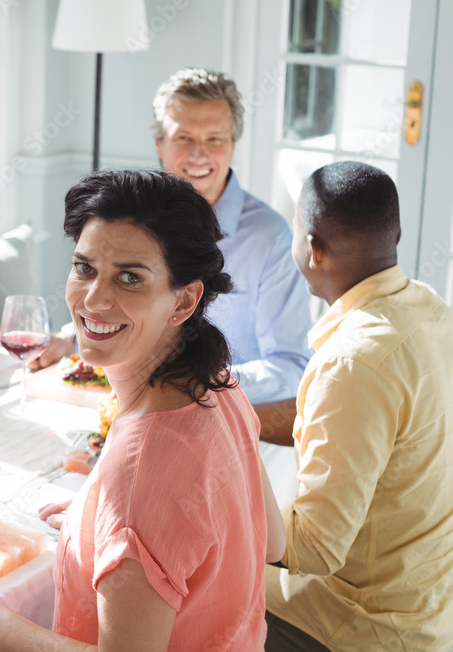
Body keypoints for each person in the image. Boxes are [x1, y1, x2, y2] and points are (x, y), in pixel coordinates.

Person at [0, 170, 285, 649]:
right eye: (84, 268)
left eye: (130, 278)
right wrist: (105, 526)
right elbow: (272, 543)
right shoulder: (218, 386)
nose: (94, 300)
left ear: (184, 299)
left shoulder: (142, 469)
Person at [36, 68, 312, 504]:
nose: (198, 154)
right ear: (159, 145)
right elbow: (127, 303)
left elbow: (292, 366)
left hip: (219, 426)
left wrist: (186, 383)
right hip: (123, 412)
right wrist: (72, 337)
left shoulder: (272, 237)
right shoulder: (131, 218)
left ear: (233, 145)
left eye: (215, 139)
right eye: (183, 138)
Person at [258, 161, 453, 651]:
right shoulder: (429, 310)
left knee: (186, 581)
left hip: (359, 627)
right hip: (428, 604)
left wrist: (215, 486)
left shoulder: (352, 362)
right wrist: (237, 415)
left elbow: (314, 547)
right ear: (396, 234)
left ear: (313, 248)